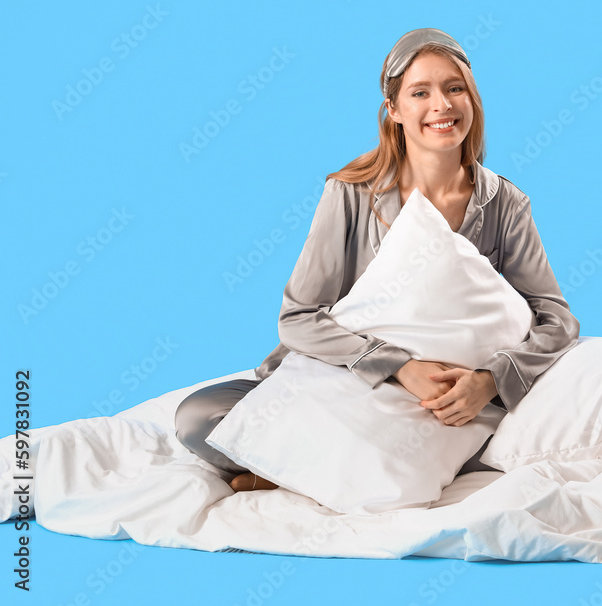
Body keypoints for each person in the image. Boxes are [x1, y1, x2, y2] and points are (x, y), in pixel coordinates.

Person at [174, 28, 581, 493]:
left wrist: (489, 381)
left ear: (473, 98)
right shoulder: (350, 192)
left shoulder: (504, 203)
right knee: (200, 419)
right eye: (420, 92)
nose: (442, 106)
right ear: (394, 110)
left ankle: (304, 474)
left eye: (455, 88)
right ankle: (345, 472)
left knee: (518, 442)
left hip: (447, 403)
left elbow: (555, 318)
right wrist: (398, 367)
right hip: (351, 382)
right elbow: (299, 318)